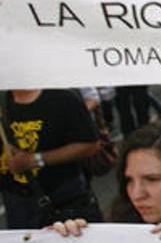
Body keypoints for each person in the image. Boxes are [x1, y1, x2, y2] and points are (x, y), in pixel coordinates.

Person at [1, 89, 101, 229]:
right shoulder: (3, 100)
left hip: (64, 200)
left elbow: (90, 145)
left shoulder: (62, 97)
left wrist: (35, 160)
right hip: (16, 203)